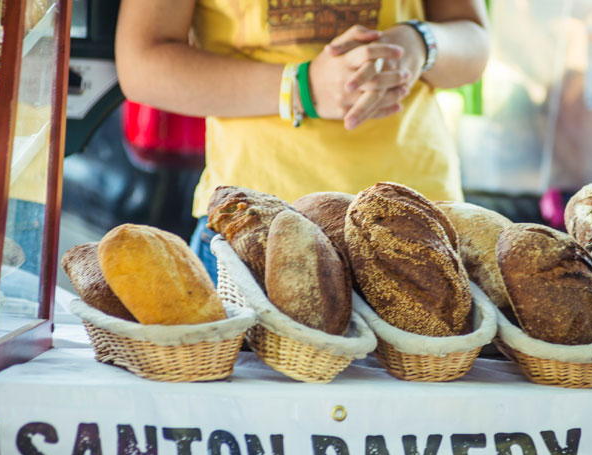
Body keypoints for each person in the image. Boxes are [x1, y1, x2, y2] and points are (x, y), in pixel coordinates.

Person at [115, 0, 489, 280]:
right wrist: (300, 87)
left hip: (422, 224)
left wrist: (420, 42)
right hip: (257, 232)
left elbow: (474, 43)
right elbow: (142, 64)